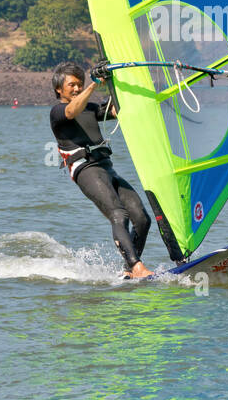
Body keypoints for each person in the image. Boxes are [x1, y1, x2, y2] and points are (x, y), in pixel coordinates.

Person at [50, 61, 153, 278]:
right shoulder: (58, 111)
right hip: (85, 169)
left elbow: (116, 110)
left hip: (107, 168)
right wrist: (93, 85)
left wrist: (113, 82)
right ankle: (137, 267)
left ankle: (129, 270)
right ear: (59, 89)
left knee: (142, 218)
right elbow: (71, 110)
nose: (77, 88)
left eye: (80, 84)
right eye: (71, 85)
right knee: (118, 214)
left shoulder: (89, 108)